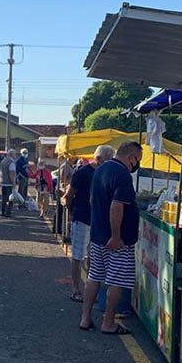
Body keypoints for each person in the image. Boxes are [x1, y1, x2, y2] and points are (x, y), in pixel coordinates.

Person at [79, 141, 143, 334]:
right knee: (116, 280)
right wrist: (116, 236)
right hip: (117, 240)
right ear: (131, 157)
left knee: (94, 277)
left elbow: (93, 200)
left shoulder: (100, 169)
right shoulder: (122, 175)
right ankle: (108, 322)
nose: (137, 163)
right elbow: (117, 206)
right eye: (138, 159)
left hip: (98, 235)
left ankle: (85, 318)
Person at [63, 145, 114, 303]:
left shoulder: (107, 173)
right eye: (107, 160)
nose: (109, 164)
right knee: (78, 255)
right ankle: (76, 290)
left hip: (98, 221)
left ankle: (91, 290)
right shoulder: (83, 173)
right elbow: (68, 195)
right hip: (83, 218)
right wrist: (72, 212)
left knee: (94, 257)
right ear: (98, 159)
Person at [0, 149, 17, 217]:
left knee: (4, 198)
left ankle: (3, 211)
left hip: (3, 182)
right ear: (12, 154)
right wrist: (13, 184)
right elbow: (11, 174)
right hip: (9, 183)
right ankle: (8, 212)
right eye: (14, 154)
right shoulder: (11, 163)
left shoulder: (2, 161)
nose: (15, 155)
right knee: (11, 198)